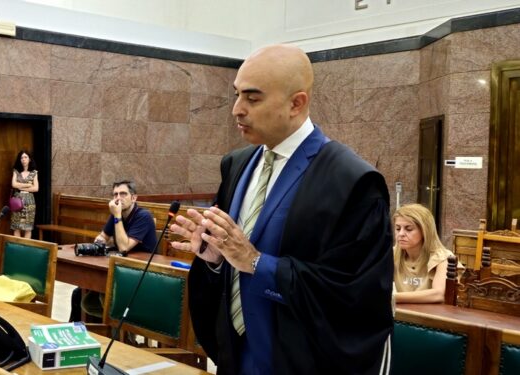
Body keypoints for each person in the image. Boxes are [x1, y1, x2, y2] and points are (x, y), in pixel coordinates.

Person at [169, 44, 394, 374]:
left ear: (296, 103)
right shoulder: (237, 164)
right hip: (236, 354)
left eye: (252, 98)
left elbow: (355, 297)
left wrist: (257, 263)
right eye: (236, 95)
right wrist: (215, 258)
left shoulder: (352, 181)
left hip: (300, 360)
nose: (236, 109)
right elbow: (232, 260)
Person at [69, 180, 157, 322]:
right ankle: (90, 333)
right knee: (81, 295)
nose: (118, 198)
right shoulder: (117, 214)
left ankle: (123, 335)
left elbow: (124, 247)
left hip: (142, 275)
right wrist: (100, 242)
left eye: (123, 194)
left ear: (134, 198)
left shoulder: (143, 216)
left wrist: (116, 216)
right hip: (121, 269)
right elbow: (102, 237)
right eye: (115, 194)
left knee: (106, 295)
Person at [393, 203, 462, 303]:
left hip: (432, 316)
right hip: (402, 315)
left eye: (408, 229)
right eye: (398, 228)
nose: (401, 234)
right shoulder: (392, 254)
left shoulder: (443, 258)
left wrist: (391, 298)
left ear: (425, 231)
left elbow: (439, 294)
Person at [10, 150, 38, 238]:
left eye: (26, 157)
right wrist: (27, 185)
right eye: (22, 157)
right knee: (16, 226)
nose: (23, 159)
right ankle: (17, 248)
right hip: (17, 200)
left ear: (29, 159)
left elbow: (36, 188)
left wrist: (20, 186)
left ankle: (25, 248)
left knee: (28, 227)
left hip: (29, 201)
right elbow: (14, 184)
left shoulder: (34, 172)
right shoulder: (16, 171)